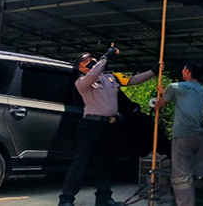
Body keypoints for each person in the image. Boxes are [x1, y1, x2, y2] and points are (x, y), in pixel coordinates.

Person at [59, 44, 158, 206]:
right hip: (91, 126)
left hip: (110, 126)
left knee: (106, 163)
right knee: (81, 164)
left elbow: (133, 80)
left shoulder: (111, 77)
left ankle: (104, 198)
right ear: (81, 69)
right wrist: (106, 57)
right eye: (86, 62)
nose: (91, 62)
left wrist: (153, 72)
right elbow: (93, 74)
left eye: (92, 59)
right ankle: (66, 200)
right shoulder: (82, 81)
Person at [156, 61, 203, 206]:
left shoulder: (176, 87)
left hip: (182, 135)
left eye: (184, 68)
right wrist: (164, 93)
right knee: (187, 171)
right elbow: (185, 101)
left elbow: (160, 104)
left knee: (181, 176)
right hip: (197, 136)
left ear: (187, 71)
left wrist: (159, 99)